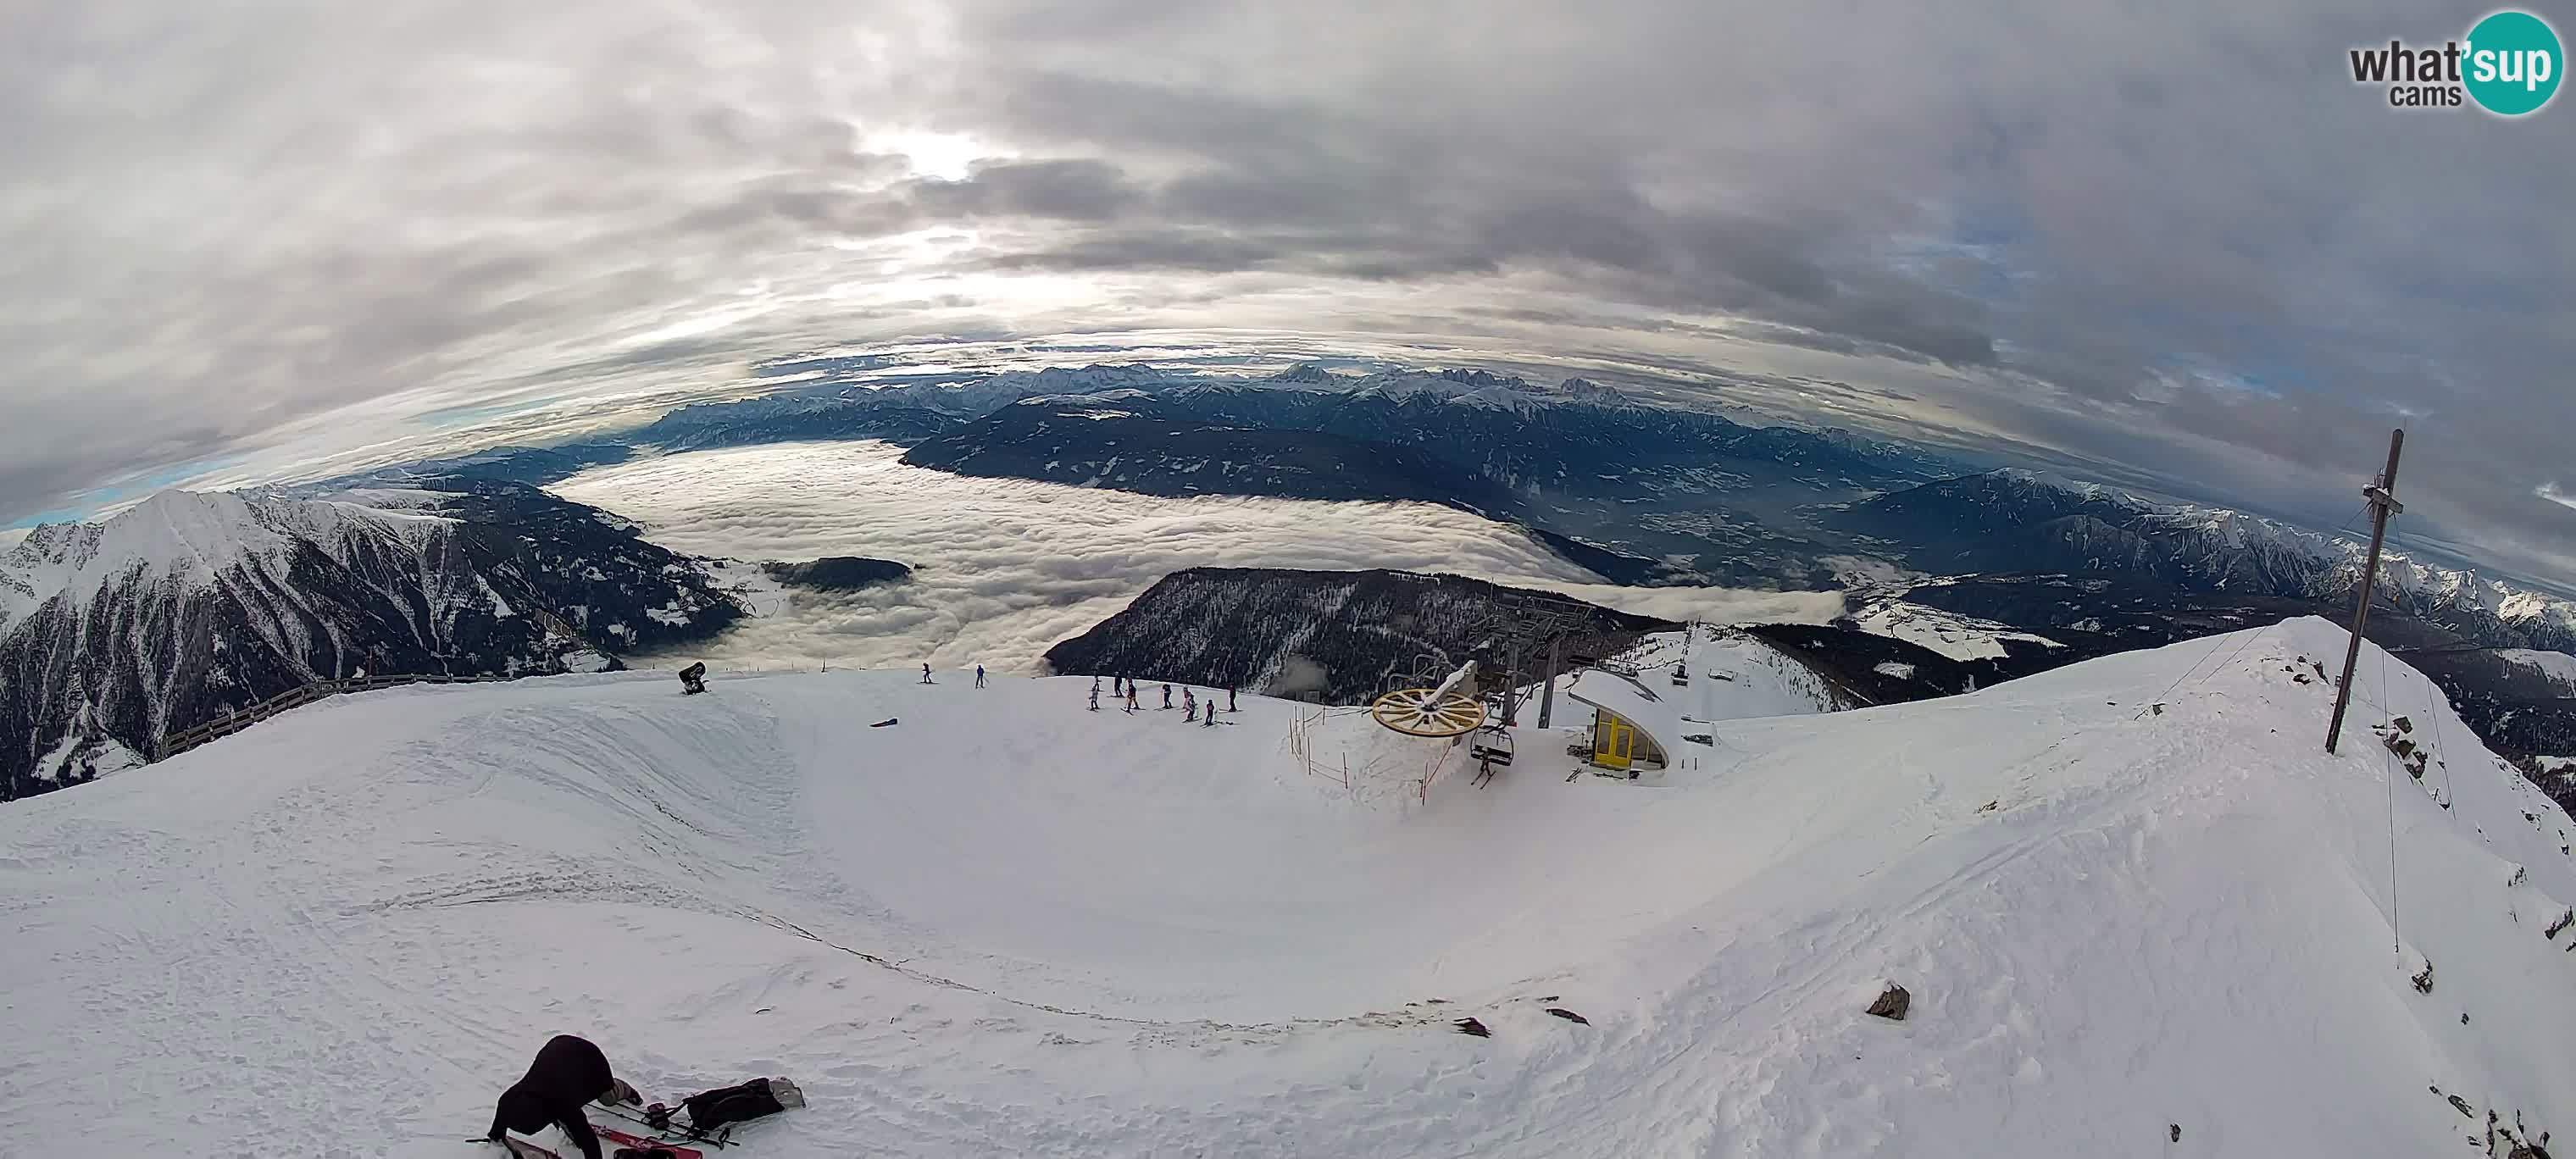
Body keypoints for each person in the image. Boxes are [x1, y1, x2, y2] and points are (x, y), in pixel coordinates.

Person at [486, 1034, 636, 1159]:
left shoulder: (563, 1105)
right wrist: (496, 1134)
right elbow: (503, 1111)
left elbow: (589, 1141)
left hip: (591, 1060)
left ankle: (624, 1089)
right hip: (559, 1049)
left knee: (607, 1098)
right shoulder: (512, 1098)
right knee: (567, 1113)